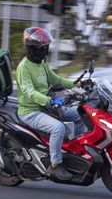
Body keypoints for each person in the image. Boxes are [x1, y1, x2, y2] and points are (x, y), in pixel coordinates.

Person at [16, 27, 86, 181]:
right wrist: (51, 101)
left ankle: (79, 151)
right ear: (32, 48)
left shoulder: (42, 63)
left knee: (82, 113)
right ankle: (55, 165)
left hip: (47, 107)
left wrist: (78, 84)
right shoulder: (23, 68)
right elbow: (30, 93)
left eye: (46, 47)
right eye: (43, 48)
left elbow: (57, 80)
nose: (45, 51)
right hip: (30, 111)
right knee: (58, 128)